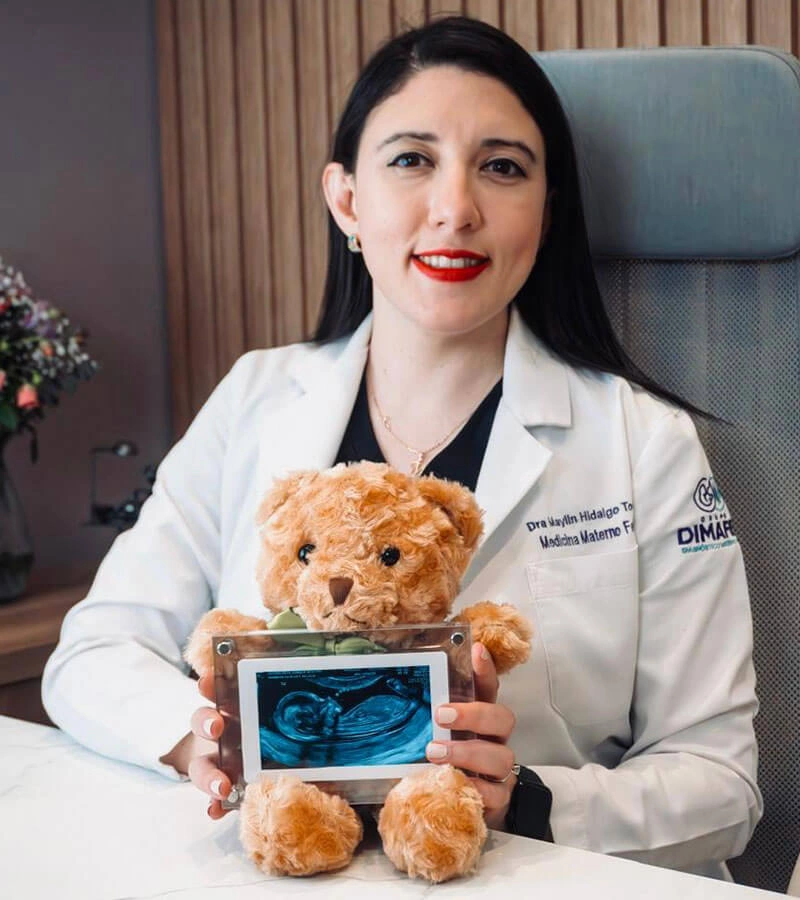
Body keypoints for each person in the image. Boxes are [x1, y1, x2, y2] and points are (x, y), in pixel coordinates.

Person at [42, 15, 761, 880]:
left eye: (503, 167)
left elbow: (722, 784)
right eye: (413, 159)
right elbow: (92, 654)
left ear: (546, 212)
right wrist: (208, 740)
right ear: (347, 200)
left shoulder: (644, 443)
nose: (456, 209)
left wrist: (527, 799)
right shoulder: (255, 399)